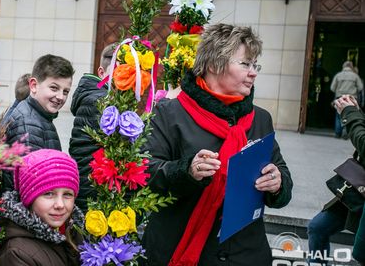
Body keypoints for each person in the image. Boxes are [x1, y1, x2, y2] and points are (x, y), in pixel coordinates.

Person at [141, 23, 293, 265]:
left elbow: (282, 178)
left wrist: (277, 183)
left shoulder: (260, 118)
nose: (253, 72)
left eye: (255, 65)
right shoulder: (171, 112)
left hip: (246, 253)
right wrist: (187, 170)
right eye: (245, 64)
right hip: (180, 245)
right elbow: (145, 173)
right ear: (213, 64)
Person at [0, 149, 83, 266]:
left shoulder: (73, 231)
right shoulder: (16, 254)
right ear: (29, 198)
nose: (60, 205)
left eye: (67, 194)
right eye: (49, 194)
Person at [308, 94, 365, 264]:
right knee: (317, 227)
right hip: (358, 190)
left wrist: (350, 113)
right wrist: (357, 112)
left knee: (360, 255)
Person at [69, 43, 114, 212]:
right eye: (117, 73)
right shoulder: (100, 100)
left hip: (88, 181)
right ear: (101, 73)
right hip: (91, 185)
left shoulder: (97, 96)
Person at [1, 54, 75, 151]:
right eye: (54, 88)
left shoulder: (41, 115)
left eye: (65, 92)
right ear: (34, 85)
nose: (60, 97)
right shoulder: (28, 125)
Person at [330, 61, 363, 138]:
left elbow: (332, 88)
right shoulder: (355, 76)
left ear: (343, 67)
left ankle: (337, 133)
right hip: (351, 98)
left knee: (338, 115)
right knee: (349, 115)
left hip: (340, 98)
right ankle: (345, 132)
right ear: (351, 67)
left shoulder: (338, 75)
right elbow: (360, 87)